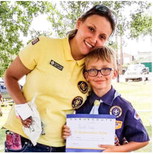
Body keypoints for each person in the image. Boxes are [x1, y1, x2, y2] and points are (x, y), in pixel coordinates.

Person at [3, 4, 116, 152]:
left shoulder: (93, 70)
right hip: (23, 140)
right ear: (79, 23)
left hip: (62, 147)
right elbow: (10, 76)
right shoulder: (43, 45)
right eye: (91, 29)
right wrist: (23, 109)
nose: (94, 39)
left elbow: (101, 103)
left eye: (102, 37)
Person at [62, 46, 149, 152]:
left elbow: (142, 140)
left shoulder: (124, 106)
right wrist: (67, 133)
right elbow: (73, 136)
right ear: (86, 76)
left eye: (106, 69)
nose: (99, 75)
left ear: (115, 73)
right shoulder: (80, 104)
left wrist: (116, 150)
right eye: (93, 70)